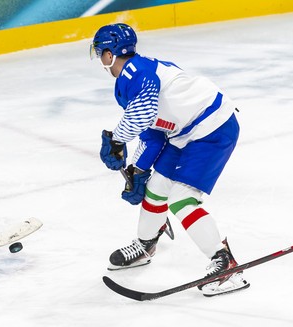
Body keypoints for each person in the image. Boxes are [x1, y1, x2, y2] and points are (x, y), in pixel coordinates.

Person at [90, 23, 249, 296]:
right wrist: (138, 170)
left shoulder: (138, 74)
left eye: (99, 52)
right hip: (182, 133)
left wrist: (117, 139)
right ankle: (146, 244)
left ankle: (226, 264)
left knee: (181, 199)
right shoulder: (131, 78)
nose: (99, 58)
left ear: (108, 55)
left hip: (213, 129)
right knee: (155, 189)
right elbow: (153, 135)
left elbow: (141, 114)